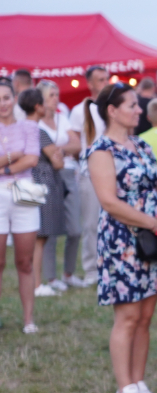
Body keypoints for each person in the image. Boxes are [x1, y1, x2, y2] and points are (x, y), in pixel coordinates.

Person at [86, 82, 157, 393]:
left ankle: (138, 384)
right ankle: (124, 389)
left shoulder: (142, 145)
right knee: (127, 316)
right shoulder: (101, 151)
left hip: (153, 238)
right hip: (123, 241)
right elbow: (109, 202)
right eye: (132, 105)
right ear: (112, 111)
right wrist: (154, 222)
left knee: (145, 316)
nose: (139, 110)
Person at [33, 80, 86, 291]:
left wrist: (57, 150)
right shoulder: (36, 123)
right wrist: (61, 150)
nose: (57, 98)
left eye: (57, 94)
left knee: (74, 229)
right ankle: (51, 278)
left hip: (67, 173)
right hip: (45, 175)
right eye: (52, 95)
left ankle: (69, 273)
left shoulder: (62, 118)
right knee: (48, 229)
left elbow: (77, 144)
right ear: (41, 100)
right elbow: (68, 146)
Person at [0, 80, 42, 332]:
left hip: (24, 194)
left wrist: (5, 166)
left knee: (25, 261)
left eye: (6, 97)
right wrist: (14, 155)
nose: (2, 103)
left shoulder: (29, 126)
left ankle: (29, 319)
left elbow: (32, 159)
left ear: (14, 99)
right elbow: (21, 156)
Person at [23, 89, 69, 300]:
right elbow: (57, 160)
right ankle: (37, 283)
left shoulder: (20, 128)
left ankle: (34, 282)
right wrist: (57, 156)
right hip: (43, 184)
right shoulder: (38, 131)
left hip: (28, 183)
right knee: (40, 238)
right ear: (37, 107)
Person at [67, 65, 109, 280]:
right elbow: (74, 141)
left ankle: (110, 265)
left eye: (106, 79)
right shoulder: (79, 110)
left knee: (113, 221)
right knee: (91, 222)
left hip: (113, 171)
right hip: (90, 172)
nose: (105, 83)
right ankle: (92, 269)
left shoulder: (113, 107)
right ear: (90, 83)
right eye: (100, 80)